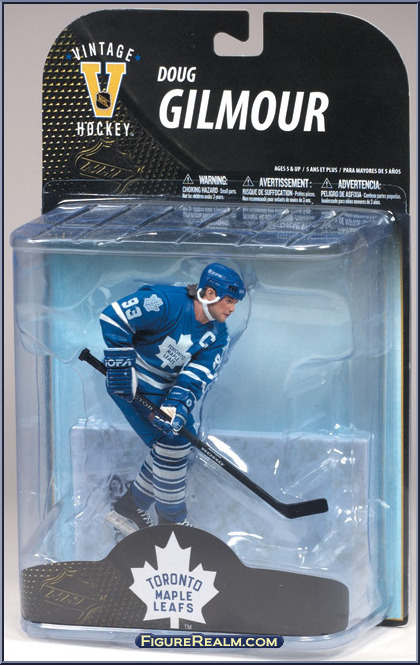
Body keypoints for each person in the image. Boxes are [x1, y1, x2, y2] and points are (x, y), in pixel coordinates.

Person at [100, 263, 246, 533]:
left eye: (235, 303)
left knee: (178, 440)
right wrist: (121, 367)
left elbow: (198, 374)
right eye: (229, 300)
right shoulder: (165, 302)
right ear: (210, 293)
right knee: (174, 444)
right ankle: (172, 521)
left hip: (163, 390)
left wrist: (176, 406)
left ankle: (130, 507)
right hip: (134, 385)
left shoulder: (218, 334)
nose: (232, 308)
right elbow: (113, 317)